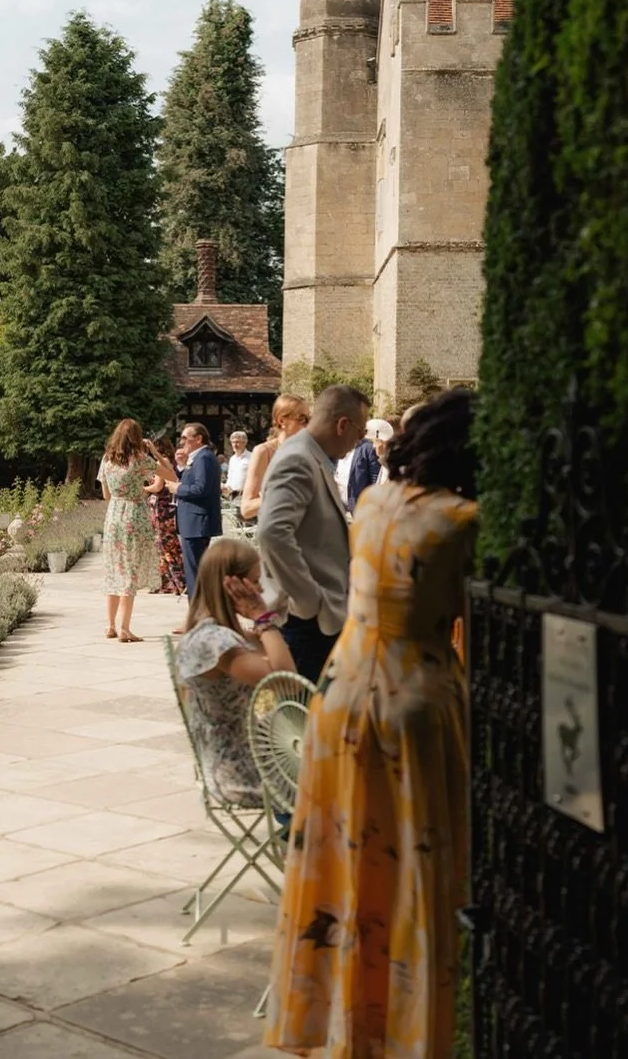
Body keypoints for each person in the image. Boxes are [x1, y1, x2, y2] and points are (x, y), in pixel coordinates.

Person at [263, 388, 478, 1058]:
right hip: (408, 705)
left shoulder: (378, 500)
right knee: (411, 872)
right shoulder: (464, 519)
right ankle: (404, 1034)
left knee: (342, 864)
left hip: (342, 695)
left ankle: (344, 1029)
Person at [257, 384, 369, 684]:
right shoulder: (298, 458)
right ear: (343, 425)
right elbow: (272, 533)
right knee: (307, 719)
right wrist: (309, 601)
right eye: (361, 431)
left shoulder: (310, 456)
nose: (360, 441)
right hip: (305, 621)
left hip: (314, 619)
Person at [174, 538, 296, 805]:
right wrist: (262, 617)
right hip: (244, 773)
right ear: (233, 585)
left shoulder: (221, 633)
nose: (261, 587)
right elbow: (287, 681)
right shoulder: (213, 641)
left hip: (253, 757)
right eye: (255, 579)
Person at [101, 418, 177, 642]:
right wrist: (154, 451)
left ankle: (110, 625)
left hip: (113, 515)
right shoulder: (140, 459)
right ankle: (125, 628)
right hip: (133, 516)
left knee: (114, 570)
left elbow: (106, 495)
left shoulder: (107, 461)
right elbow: (171, 475)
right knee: (129, 572)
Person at [166, 421, 223, 598]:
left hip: (196, 522)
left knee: (194, 572)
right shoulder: (198, 458)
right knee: (194, 570)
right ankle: (198, 614)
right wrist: (182, 467)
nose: (182, 442)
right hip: (193, 521)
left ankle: (197, 616)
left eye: (185, 438)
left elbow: (201, 488)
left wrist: (178, 489)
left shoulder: (204, 458)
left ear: (198, 439)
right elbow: (192, 481)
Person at [239, 394, 310, 521]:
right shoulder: (264, 452)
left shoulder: (310, 451)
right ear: (282, 421)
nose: (308, 425)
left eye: (310, 419)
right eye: (303, 419)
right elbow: (246, 508)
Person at [145, 437, 187, 598]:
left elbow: (158, 486)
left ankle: (177, 582)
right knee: (165, 545)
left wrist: (142, 488)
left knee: (166, 544)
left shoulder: (162, 463)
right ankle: (169, 583)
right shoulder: (168, 462)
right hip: (165, 507)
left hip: (162, 509)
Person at [345, 418, 387, 512]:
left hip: (357, 508)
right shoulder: (334, 445)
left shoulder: (368, 448)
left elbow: (375, 480)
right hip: (338, 507)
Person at [222, 430, 253, 504]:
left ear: (245, 443)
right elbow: (230, 476)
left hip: (245, 496)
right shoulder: (232, 459)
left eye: (237, 442)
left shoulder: (252, 457)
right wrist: (225, 486)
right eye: (233, 442)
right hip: (231, 496)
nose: (235, 445)